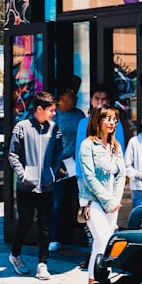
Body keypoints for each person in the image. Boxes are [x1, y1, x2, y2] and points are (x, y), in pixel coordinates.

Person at [8, 91, 64, 281]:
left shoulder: (54, 129)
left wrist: (52, 173)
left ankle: (42, 263)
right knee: (24, 221)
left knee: (45, 224)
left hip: (47, 185)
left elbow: (58, 153)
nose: (53, 114)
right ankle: (15, 255)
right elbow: (12, 154)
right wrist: (23, 175)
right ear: (39, 109)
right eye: (51, 110)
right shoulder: (21, 127)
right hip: (26, 186)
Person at [78, 104, 127, 284]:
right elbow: (89, 177)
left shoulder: (116, 146)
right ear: (97, 120)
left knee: (101, 244)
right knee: (105, 240)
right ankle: (100, 280)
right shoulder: (87, 145)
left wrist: (115, 200)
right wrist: (108, 201)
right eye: (107, 118)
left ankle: (94, 281)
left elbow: (121, 174)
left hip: (112, 202)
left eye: (114, 119)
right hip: (92, 201)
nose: (112, 122)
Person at [49, 84, 85, 252]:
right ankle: (56, 237)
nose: (75, 98)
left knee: (82, 200)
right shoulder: (53, 116)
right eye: (72, 95)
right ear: (62, 97)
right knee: (58, 203)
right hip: (60, 166)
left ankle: (85, 235)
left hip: (77, 164)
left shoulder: (79, 115)